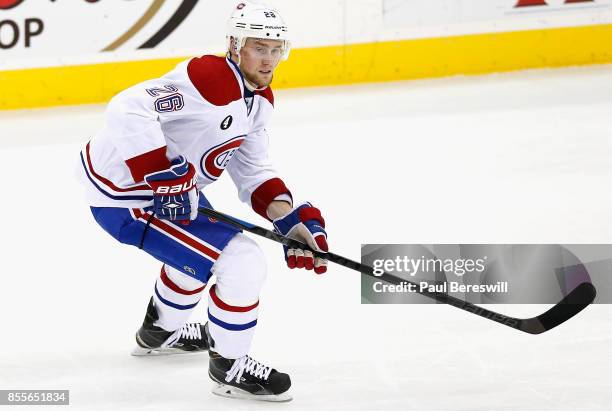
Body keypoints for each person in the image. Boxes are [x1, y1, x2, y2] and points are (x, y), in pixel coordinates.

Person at [77, 1, 328, 402]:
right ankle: (230, 367)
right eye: (259, 48)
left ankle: (160, 331)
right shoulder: (209, 79)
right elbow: (128, 107)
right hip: (125, 194)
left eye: (276, 49)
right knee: (241, 261)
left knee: (200, 255)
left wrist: (289, 220)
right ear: (235, 45)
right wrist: (159, 175)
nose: (269, 59)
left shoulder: (258, 101)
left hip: (166, 187)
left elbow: (254, 170)